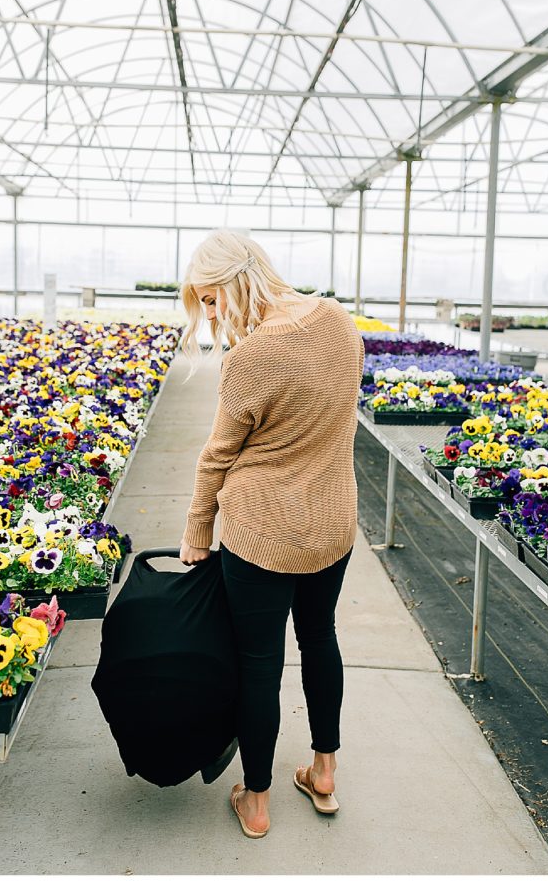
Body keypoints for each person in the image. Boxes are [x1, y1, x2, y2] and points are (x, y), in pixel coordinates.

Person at [178, 229, 365, 839]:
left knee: (259, 663)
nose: (209, 313)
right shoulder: (340, 322)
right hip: (331, 522)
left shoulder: (251, 357)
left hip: (262, 533)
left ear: (238, 280)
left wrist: (198, 528)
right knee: (320, 638)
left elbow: (218, 455)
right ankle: (325, 772)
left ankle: (255, 803)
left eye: (210, 299)